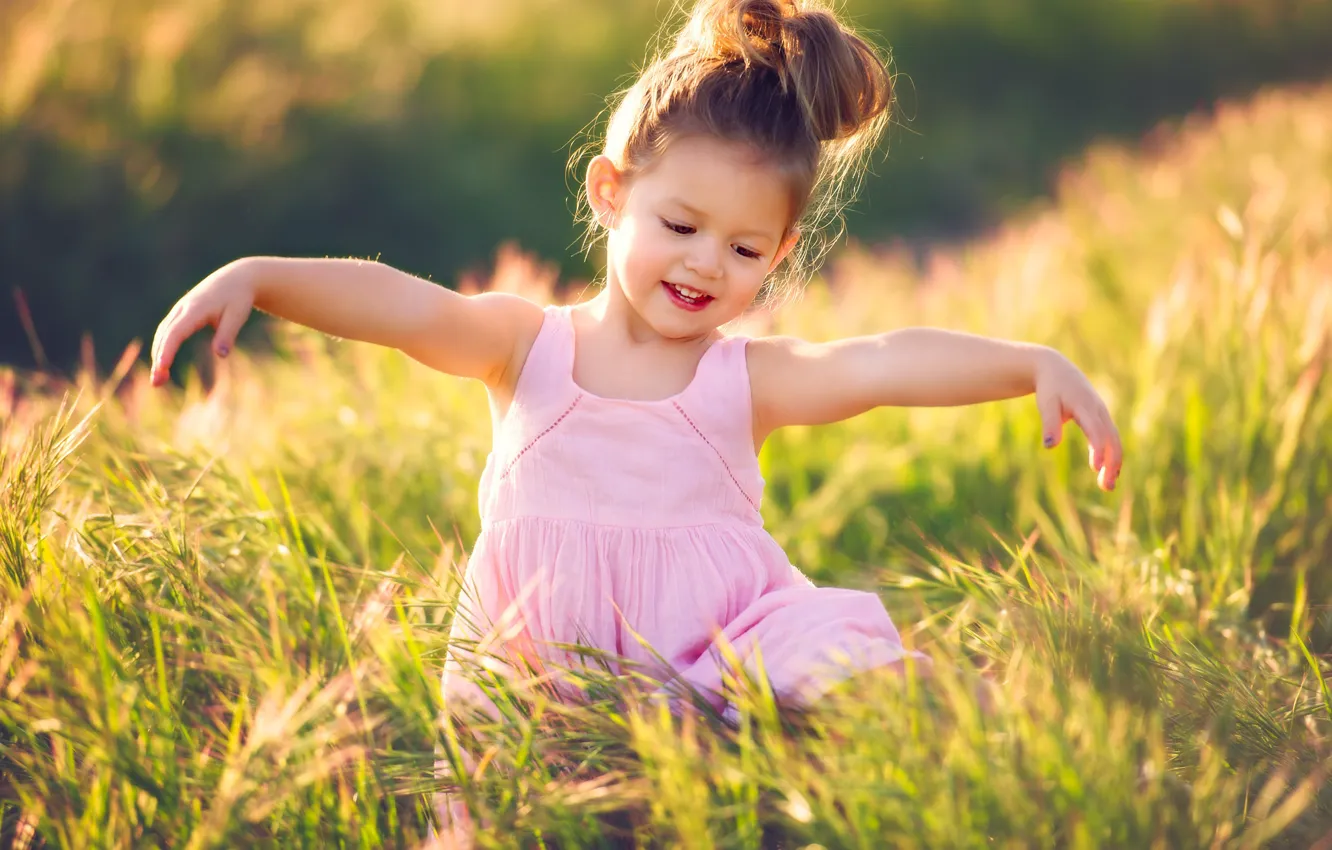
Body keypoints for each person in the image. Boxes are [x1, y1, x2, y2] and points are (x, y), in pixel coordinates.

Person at [151, 0, 1123, 842]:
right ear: (612, 194)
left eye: (744, 249)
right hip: (538, 682)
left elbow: (874, 364)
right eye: (680, 226)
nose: (705, 265)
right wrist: (262, 278)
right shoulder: (525, 348)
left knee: (896, 693)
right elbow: (407, 306)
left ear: (780, 255)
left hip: (715, 659)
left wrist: (1027, 363)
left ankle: (1075, 770)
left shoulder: (742, 379)